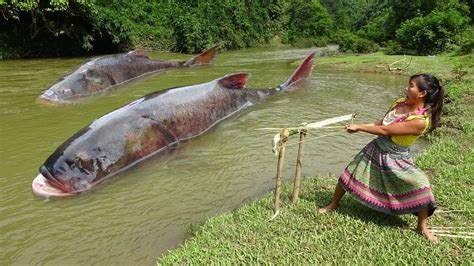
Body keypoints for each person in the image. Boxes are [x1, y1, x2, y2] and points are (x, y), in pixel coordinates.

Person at [319, 74, 445, 243]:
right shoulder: (399, 103)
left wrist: (360, 128)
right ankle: (333, 204)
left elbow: (388, 131)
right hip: (377, 147)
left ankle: (422, 227)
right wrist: (358, 126)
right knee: (349, 174)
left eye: (411, 86)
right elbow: (382, 123)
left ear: (422, 93)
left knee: (420, 185)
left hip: (396, 156)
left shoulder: (420, 121)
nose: (406, 89)